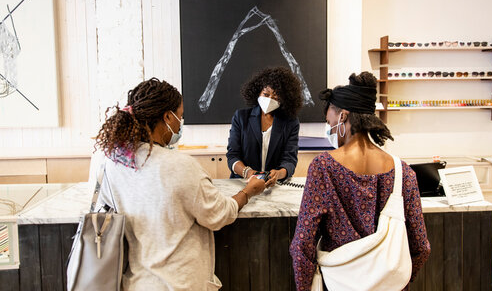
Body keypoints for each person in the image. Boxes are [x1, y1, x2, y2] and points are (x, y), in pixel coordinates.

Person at [89, 78, 265, 290]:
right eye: (179, 117)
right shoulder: (180, 165)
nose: (179, 124)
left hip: (137, 282)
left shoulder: (110, 162)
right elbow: (218, 214)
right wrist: (248, 191)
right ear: (167, 117)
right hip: (181, 283)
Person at [289, 72, 431, 291]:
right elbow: (421, 246)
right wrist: (395, 280)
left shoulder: (324, 167)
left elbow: (303, 243)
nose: (328, 127)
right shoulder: (403, 172)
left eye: (329, 121)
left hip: (339, 281)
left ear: (343, 116)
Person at [226, 66, 303, 187]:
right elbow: (232, 156)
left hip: (274, 186)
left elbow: (290, 160)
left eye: (276, 97)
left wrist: (278, 174)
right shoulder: (241, 117)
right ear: (258, 92)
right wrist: (248, 173)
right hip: (242, 183)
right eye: (266, 94)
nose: (269, 100)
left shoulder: (290, 122)